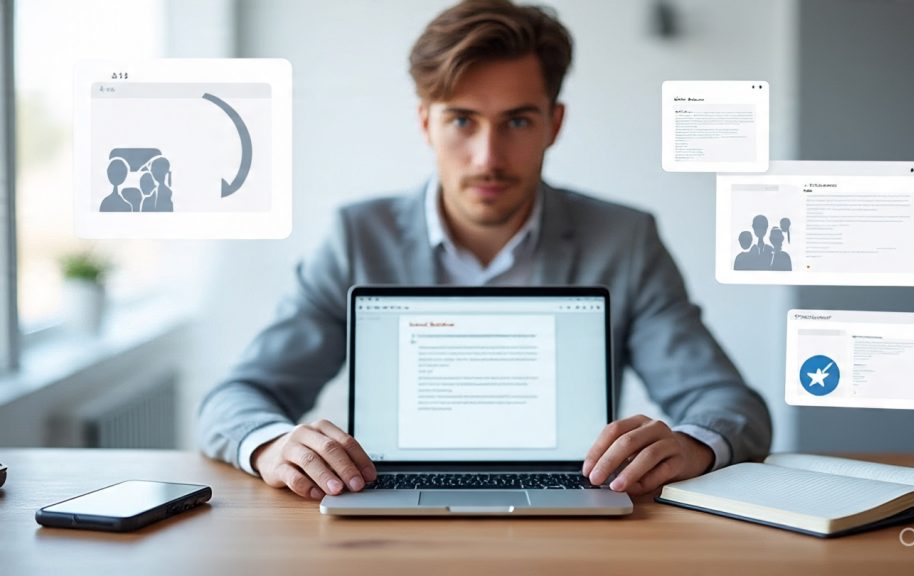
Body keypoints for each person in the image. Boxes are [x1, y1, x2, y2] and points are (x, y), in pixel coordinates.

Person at [198, 0, 771, 501]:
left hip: (574, 524)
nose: (487, 157)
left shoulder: (624, 240)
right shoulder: (356, 237)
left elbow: (729, 403)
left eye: (517, 121)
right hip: (387, 516)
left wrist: (693, 445)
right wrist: (270, 444)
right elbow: (238, 396)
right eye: (462, 121)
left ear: (554, 123)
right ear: (426, 123)